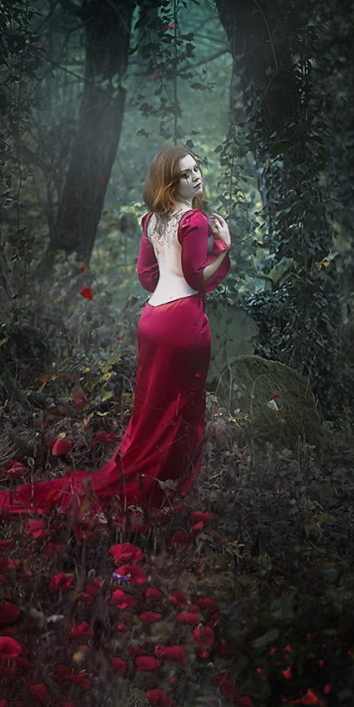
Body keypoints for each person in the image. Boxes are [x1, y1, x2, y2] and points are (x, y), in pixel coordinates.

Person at [109, 145, 232, 506]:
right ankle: (170, 484)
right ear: (170, 182)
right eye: (186, 174)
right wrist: (223, 247)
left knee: (151, 405)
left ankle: (144, 471)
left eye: (196, 169)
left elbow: (146, 276)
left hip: (152, 320)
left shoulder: (151, 220)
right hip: (182, 322)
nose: (196, 177)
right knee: (183, 405)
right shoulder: (194, 221)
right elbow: (196, 278)